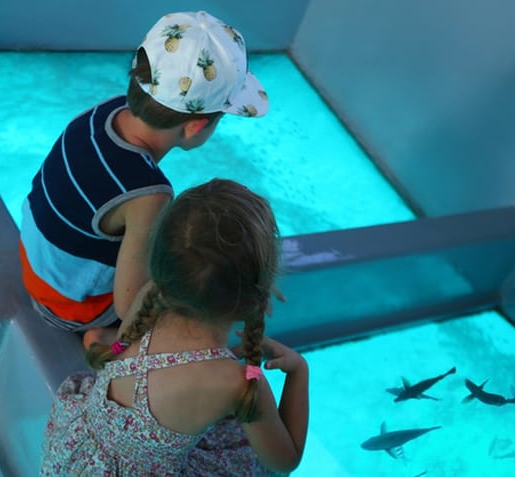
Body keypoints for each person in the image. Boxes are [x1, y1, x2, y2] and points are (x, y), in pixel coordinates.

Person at [18, 11, 270, 347]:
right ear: (196, 126)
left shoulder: (104, 111)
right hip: (71, 309)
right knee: (197, 311)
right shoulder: (148, 194)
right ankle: (105, 339)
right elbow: (129, 305)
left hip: (35, 268)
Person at [41, 179, 309, 475]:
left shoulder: (147, 300)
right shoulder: (240, 382)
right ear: (258, 295)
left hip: (78, 459)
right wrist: (299, 370)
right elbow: (284, 461)